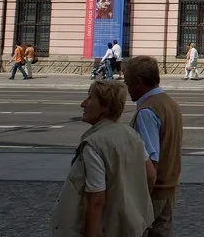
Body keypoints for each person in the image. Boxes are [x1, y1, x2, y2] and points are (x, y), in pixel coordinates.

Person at [50, 80, 154, 236]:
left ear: (105, 107)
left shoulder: (94, 144)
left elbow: (97, 200)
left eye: (90, 98)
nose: (83, 104)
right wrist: (135, 203)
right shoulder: (131, 134)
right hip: (133, 227)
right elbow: (151, 175)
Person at [124, 55, 184, 237]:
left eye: (128, 83)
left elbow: (151, 160)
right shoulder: (170, 103)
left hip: (153, 191)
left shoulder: (147, 111)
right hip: (169, 186)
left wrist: (141, 200)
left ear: (139, 82)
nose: (127, 89)